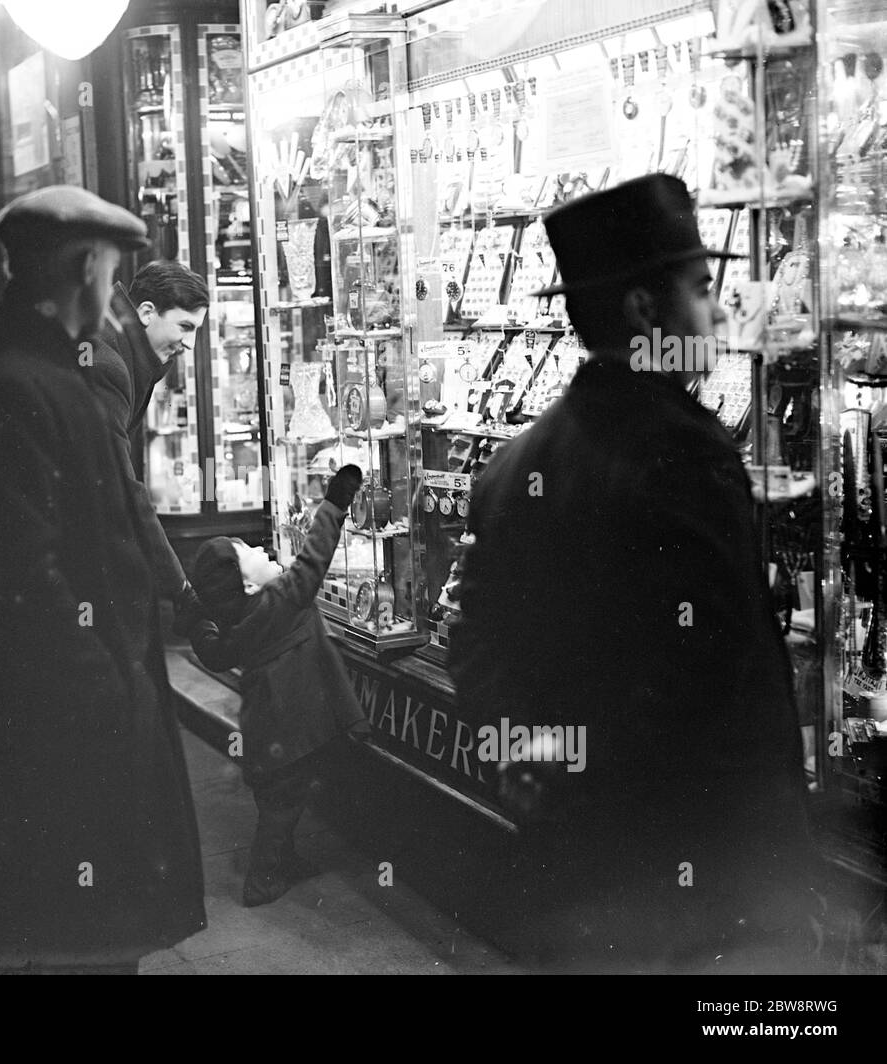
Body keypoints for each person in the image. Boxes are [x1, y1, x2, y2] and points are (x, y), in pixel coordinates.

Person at [445, 174, 818, 966]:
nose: (717, 311)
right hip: (706, 889)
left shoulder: (514, 465)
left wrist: (533, 760)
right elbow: (723, 685)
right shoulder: (685, 455)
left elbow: (476, 638)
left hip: (580, 872)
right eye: (699, 288)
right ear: (646, 313)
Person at [0, 186, 207, 975]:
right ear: (79, 273)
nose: (111, 294)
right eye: (107, 274)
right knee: (66, 936)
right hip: (59, 726)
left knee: (67, 930)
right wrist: (111, 690)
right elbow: (22, 574)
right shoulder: (20, 382)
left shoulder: (36, 369)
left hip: (63, 717)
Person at [188, 465, 371, 907]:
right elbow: (313, 559)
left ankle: (282, 862)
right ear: (248, 583)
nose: (261, 545)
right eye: (249, 550)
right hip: (291, 732)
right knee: (282, 806)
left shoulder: (239, 622)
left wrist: (195, 618)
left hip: (270, 731)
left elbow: (213, 651)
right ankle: (262, 878)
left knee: (279, 800)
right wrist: (335, 503)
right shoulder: (279, 600)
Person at [85, 261, 211, 631]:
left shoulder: (117, 344)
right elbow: (120, 487)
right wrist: (181, 588)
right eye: (185, 326)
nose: (190, 344)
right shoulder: (107, 362)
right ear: (145, 312)